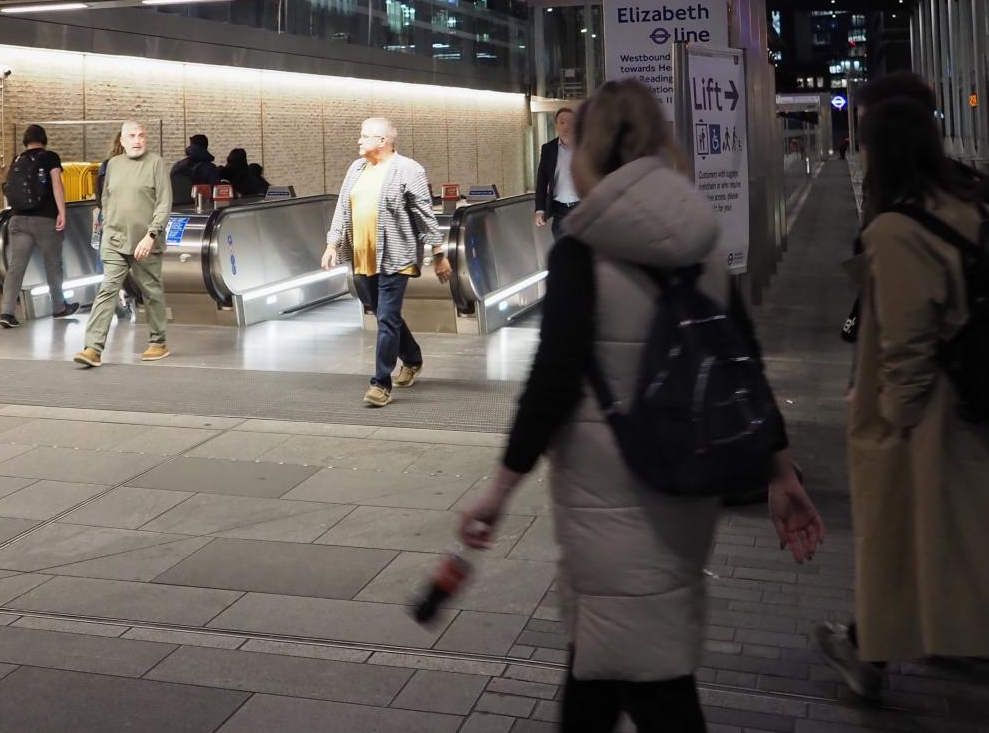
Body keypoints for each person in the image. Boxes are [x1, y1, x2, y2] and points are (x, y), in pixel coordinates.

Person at [457, 81, 825, 732]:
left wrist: (498, 490)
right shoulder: (706, 246)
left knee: (649, 676)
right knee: (613, 654)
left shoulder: (580, 253)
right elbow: (743, 363)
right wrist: (781, 472)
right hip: (684, 483)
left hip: (607, 491)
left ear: (588, 149)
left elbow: (552, 380)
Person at [812, 74, 989, 733]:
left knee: (988, 574)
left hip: (947, 433)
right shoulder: (985, 211)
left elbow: (906, 352)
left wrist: (893, 423)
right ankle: (875, 648)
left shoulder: (898, 230)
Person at [321, 117, 451, 407]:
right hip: (360, 255)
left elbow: (424, 214)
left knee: (386, 318)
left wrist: (438, 253)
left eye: (365, 136)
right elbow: (343, 207)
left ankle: (381, 383)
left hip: (395, 256)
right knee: (383, 314)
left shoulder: (408, 169)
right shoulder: (356, 168)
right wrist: (333, 243)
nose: (359, 140)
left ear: (383, 141)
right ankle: (413, 359)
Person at [75, 120, 172, 367]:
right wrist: (107, 231)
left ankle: (158, 342)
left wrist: (151, 235)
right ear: (122, 140)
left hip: (145, 242)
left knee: (151, 290)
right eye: (132, 136)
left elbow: (163, 203)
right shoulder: (113, 165)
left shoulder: (155, 164)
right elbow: (106, 200)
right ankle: (92, 348)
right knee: (107, 289)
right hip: (115, 240)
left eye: (141, 135)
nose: (137, 140)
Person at [0, 124, 76, 328]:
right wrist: (62, 211)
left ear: (26, 140)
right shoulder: (50, 157)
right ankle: (59, 307)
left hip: (18, 219)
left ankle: (6, 312)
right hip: (45, 219)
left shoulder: (17, 160)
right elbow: (57, 184)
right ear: (44, 139)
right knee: (52, 264)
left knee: (16, 266)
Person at [534, 106, 578, 234]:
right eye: (562, 123)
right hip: (559, 211)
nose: (566, 127)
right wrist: (540, 210)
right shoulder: (548, 149)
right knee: (561, 250)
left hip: (582, 209)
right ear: (556, 126)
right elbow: (541, 182)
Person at [170, 134, 222, 205]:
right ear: (205, 147)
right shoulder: (210, 168)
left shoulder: (177, 165)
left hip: (176, 208)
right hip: (201, 208)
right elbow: (216, 193)